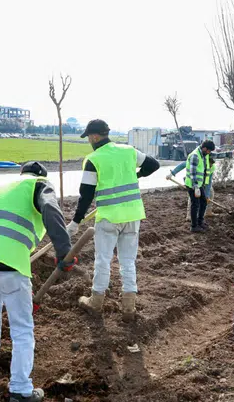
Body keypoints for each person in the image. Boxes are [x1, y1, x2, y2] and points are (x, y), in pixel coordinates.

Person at [0, 161, 72, 402]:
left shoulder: (5, 187)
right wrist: (64, 251)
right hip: (9, 260)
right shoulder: (39, 184)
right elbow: (50, 209)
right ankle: (21, 389)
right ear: (40, 175)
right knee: (22, 326)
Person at [68, 119, 160, 322]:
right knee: (128, 262)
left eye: (88, 138)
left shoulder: (94, 159)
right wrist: (138, 174)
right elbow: (154, 165)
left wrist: (75, 222)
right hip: (133, 215)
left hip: (108, 217)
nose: (89, 141)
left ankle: (96, 302)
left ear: (93, 136)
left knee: (103, 260)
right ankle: (129, 307)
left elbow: (86, 195)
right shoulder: (128, 151)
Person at [167, 155, 216, 222]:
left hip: (203, 182)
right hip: (192, 181)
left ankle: (208, 212)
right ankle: (189, 216)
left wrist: (207, 195)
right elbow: (183, 165)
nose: (209, 166)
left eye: (211, 164)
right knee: (193, 197)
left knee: (211, 192)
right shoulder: (197, 161)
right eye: (209, 164)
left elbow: (209, 181)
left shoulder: (212, 167)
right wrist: (172, 173)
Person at [184, 140, 216, 232]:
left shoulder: (203, 155)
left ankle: (200, 221)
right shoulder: (195, 155)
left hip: (199, 184)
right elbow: (193, 173)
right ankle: (194, 226)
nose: (209, 153)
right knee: (195, 204)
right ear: (205, 148)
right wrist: (196, 186)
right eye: (209, 151)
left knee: (203, 202)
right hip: (192, 184)